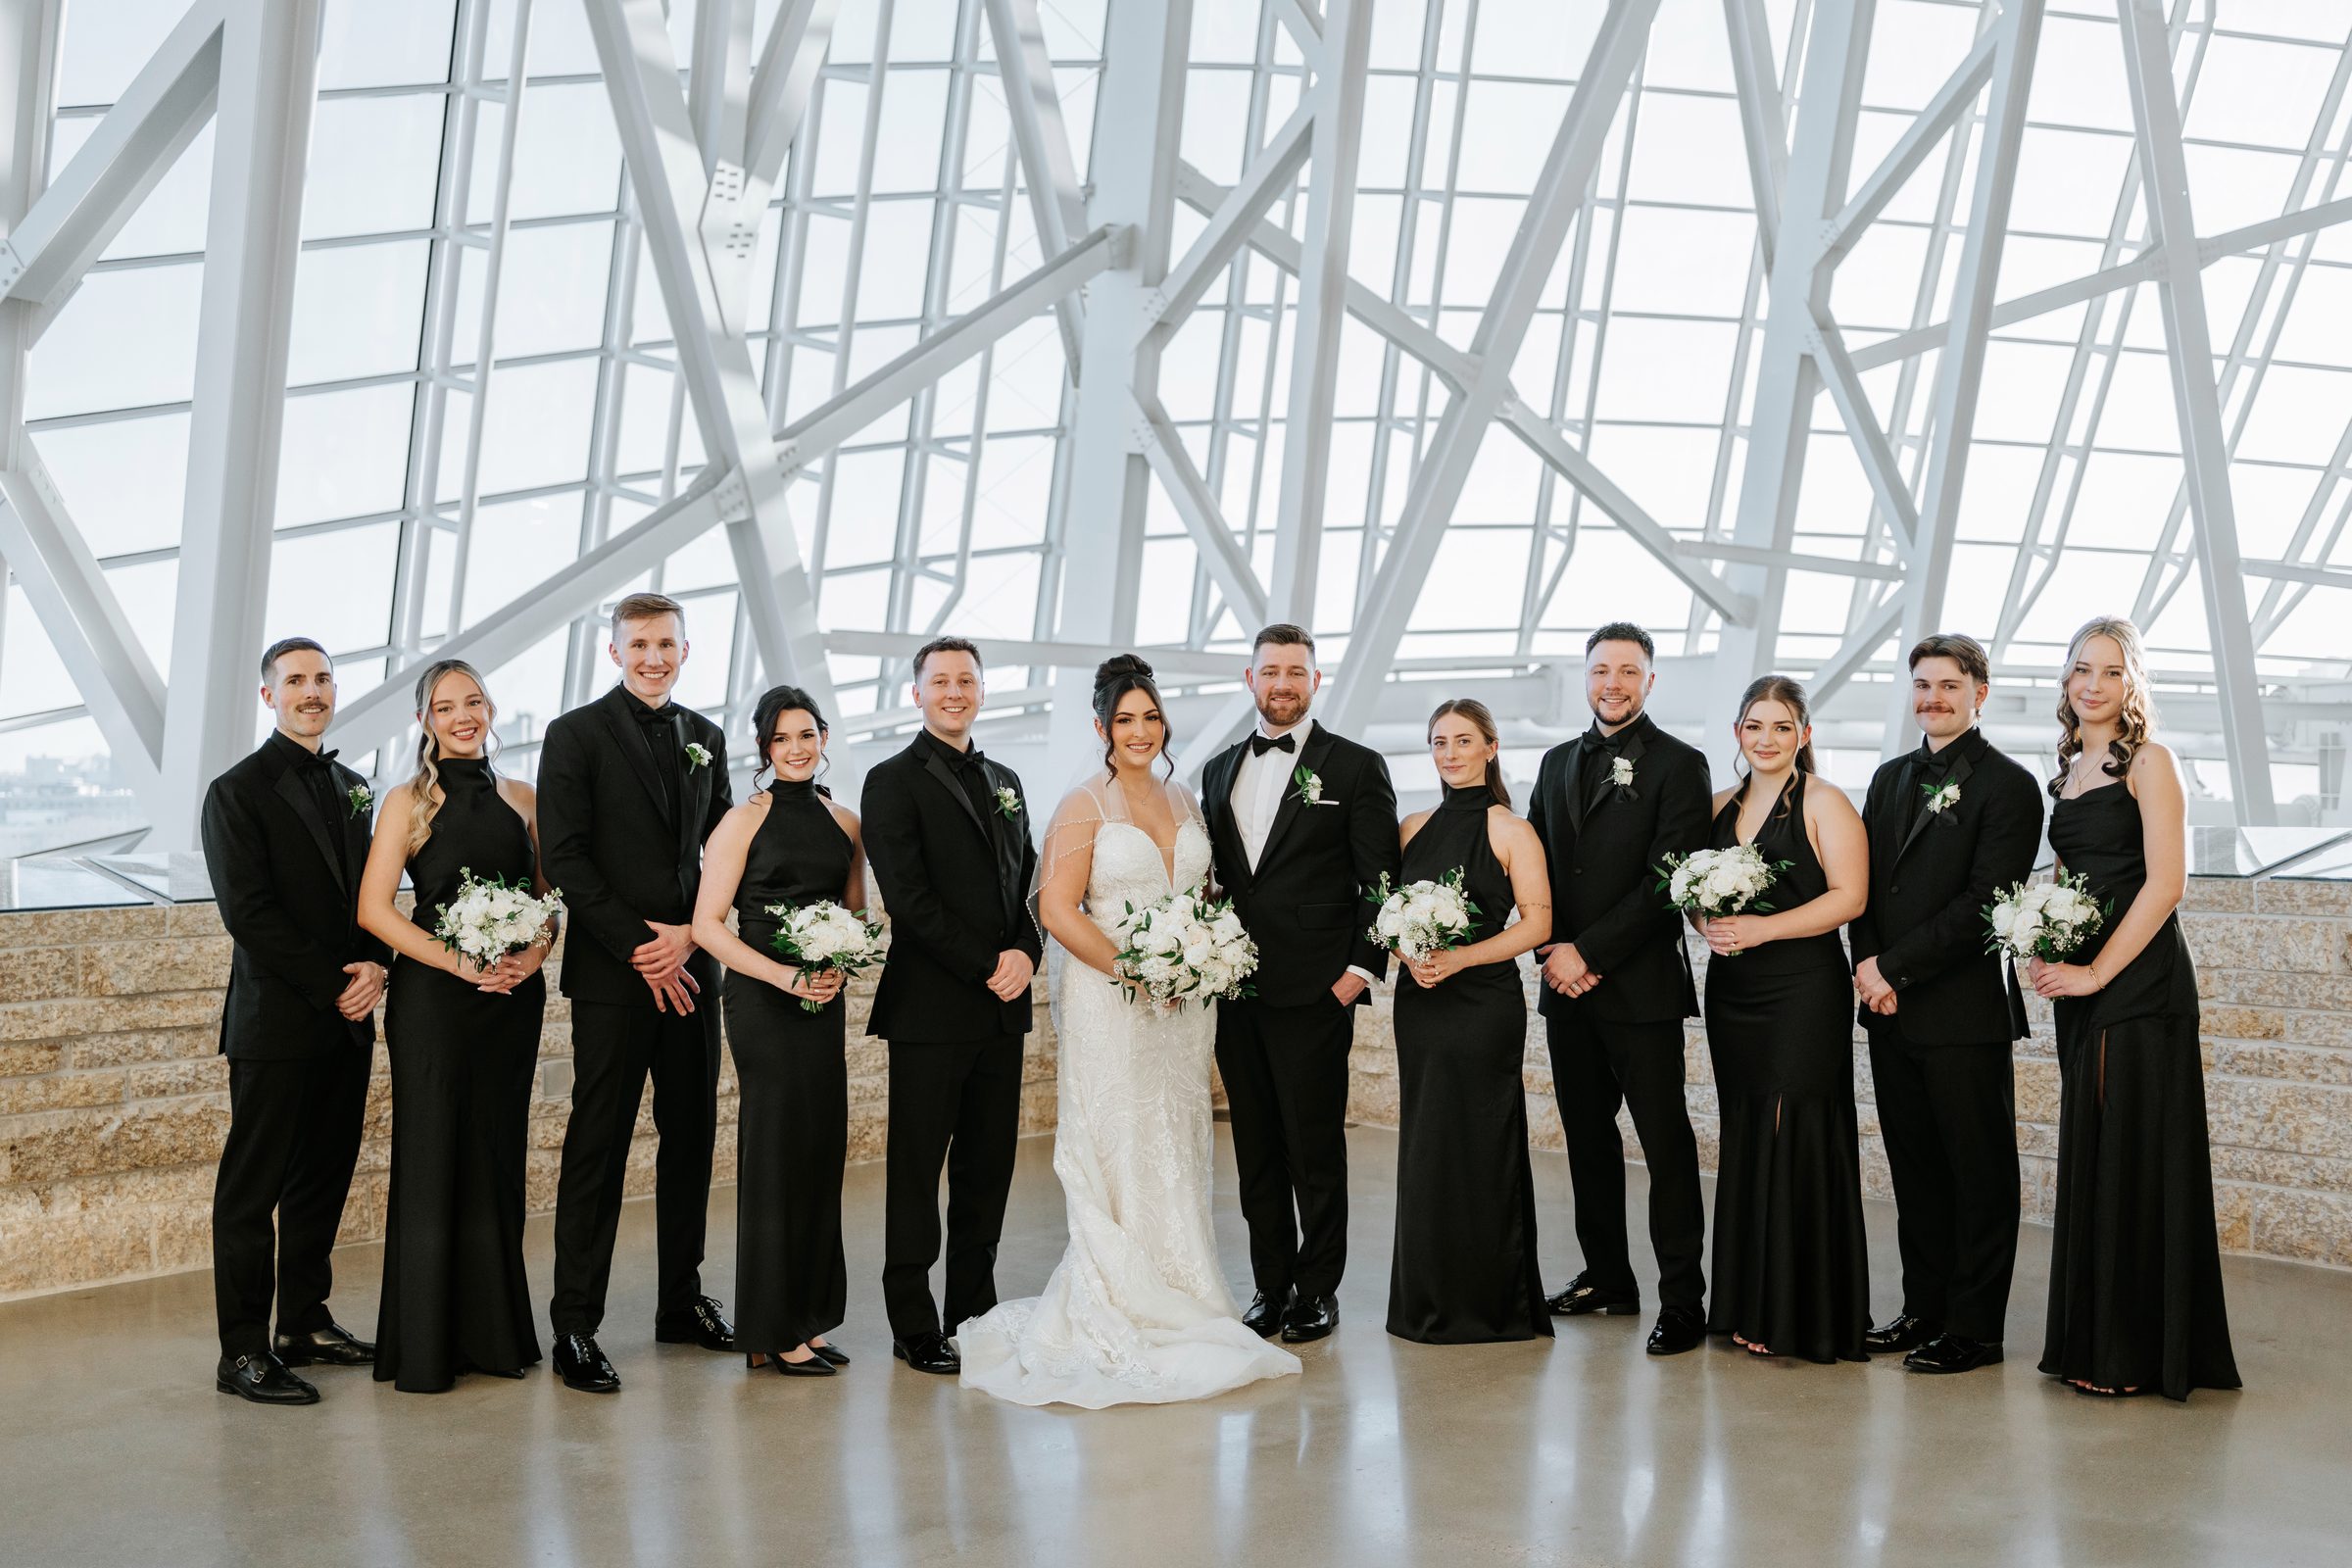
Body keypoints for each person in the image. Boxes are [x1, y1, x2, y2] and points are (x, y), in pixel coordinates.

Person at [959, 657, 1302, 1405]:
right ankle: (1119, 1292)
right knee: (1119, 1137)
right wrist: (1137, 971)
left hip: (1183, 1007)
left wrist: (1199, 955)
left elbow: (1203, 891)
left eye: (1151, 718)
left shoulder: (1185, 798)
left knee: (1175, 1136)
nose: (1140, 731)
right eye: (1125, 720)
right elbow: (1057, 911)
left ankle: (1184, 1283)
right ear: (1101, 729)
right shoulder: (1085, 804)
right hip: (1112, 999)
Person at [2034, 616, 2239, 1400]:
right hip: (2082, 979)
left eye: (2110, 672)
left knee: (2132, 1151)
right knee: (2098, 1149)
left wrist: (2094, 976)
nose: (2092, 684)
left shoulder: (2152, 762)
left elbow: (2165, 885)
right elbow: (2071, 876)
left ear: (2133, 684)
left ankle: (2133, 1354)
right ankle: (2097, 1339)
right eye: (2081, 669)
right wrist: (2044, 943)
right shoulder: (2068, 769)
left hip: (2140, 981)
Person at [538, 593, 736, 1394]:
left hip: (695, 968)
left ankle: (680, 1304)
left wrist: (690, 935)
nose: (653, 657)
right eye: (640, 644)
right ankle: (575, 1326)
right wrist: (641, 945)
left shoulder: (709, 739)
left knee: (691, 1140)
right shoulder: (574, 734)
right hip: (615, 978)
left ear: (686, 651)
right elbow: (567, 856)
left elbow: (724, 851)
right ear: (614, 652)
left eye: (666, 644)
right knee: (600, 1146)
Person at [1200, 624, 1401, 1345]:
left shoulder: (1354, 766)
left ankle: (1319, 1288)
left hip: (1319, 989)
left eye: (1296, 671)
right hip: (1237, 988)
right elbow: (1221, 879)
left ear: (1316, 680)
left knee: (1314, 1146)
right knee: (1254, 1145)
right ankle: (1270, 1284)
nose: (1282, 683)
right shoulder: (1219, 770)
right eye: (1270, 671)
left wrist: (1357, 970)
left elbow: (1380, 879)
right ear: (1248, 679)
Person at [200, 637, 388, 1404]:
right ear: (268, 695)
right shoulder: (234, 791)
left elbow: (375, 892)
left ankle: (303, 1323)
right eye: (296, 681)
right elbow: (249, 914)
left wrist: (378, 964)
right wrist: (333, 983)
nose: (312, 692)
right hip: (278, 1022)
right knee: (254, 1188)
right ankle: (241, 1351)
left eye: (322, 679)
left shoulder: (354, 785)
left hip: (347, 1020)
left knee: (322, 1180)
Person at [1849, 634, 2042, 1375]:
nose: (1933, 698)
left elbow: (1985, 903)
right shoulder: (1889, 779)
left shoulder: (2010, 786)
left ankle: (1976, 1328)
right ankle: (1923, 1307)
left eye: (1949, 686)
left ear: (1979, 693)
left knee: (1978, 1171)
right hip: (1889, 1009)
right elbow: (1865, 890)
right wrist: (1867, 968)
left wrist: (1893, 967)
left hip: (1962, 1011)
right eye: (1923, 685)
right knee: (1915, 1169)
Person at [357, 662, 552, 1393]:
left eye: (473, 701)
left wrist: (532, 957)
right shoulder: (407, 802)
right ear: (426, 721)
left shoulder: (526, 798)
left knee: (497, 1156)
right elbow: (375, 911)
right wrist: (457, 964)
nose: (463, 716)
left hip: (510, 1002)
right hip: (436, 1004)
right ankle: (427, 1346)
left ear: (491, 708)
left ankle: (497, 1335)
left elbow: (548, 901)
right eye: (446, 707)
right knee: (435, 1153)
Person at [1526, 622, 1713, 1356]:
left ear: (1649, 682)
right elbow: (1533, 868)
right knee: (1587, 1141)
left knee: (1665, 1145)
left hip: (1640, 989)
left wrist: (1588, 952)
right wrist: (1551, 949)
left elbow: (1670, 879)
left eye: (1628, 671)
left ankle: (1682, 1299)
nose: (1613, 682)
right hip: (1564, 988)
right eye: (1601, 669)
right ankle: (1607, 1276)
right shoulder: (1554, 760)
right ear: (1586, 676)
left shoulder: (1680, 764)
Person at [860, 637, 1044, 1376]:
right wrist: (987, 965)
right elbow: (908, 900)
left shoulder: (1006, 778)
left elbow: (1030, 882)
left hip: (1003, 1010)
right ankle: (913, 1322)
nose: (955, 691)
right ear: (918, 693)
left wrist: (1027, 954)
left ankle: (975, 1311)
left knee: (987, 1170)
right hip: (933, 1009)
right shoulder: (889, 780)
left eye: (966, 679)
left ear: (980, 689)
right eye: (941, 681)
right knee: (916, 1171)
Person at [691, 687, 864, 1380]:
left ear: (823, 736)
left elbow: (857, 916)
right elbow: (708, 926)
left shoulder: (846, 822)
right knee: (775, 1153)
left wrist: (840, 971)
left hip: (823, 1001)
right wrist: (784, 978)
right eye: (781, 738)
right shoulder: (742, 821)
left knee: (820, 1150)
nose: (796, 748)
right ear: (764, 748)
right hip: (765, 1005)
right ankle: (769, 1325)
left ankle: (808, 1317)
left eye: (806, 734)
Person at [1698, 676, 1871, 1363]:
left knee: (1793, 1125)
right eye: (1753, 726)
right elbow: (1692, 890)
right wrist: (1706, 918)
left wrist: (1764, 932)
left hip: (1802, 989)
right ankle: (1745, 1300)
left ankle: (1801, 1313)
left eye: (1780, 726)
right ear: (1738, 733)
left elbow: (1850, 899)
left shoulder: (1826, 802)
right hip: (1733, 992)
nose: (1766, 739)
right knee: (1746, 1127)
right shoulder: (1717, 805)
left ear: (1803, 733)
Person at [1386, 701, 1554, 1345]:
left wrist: (1457, 958)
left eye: (1463, 740)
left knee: (1483, 1144)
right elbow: (1387, 913)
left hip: (1483, 1004)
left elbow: (1537, 925)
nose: (1450, 753)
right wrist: (1410, 955)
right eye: (1438, 742)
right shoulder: (1410, 827)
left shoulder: (1513, 830)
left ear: (1491, 747)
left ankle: (1494, 1304)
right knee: (1427, 1144)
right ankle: (1425, 1301)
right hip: (1422, 1003)